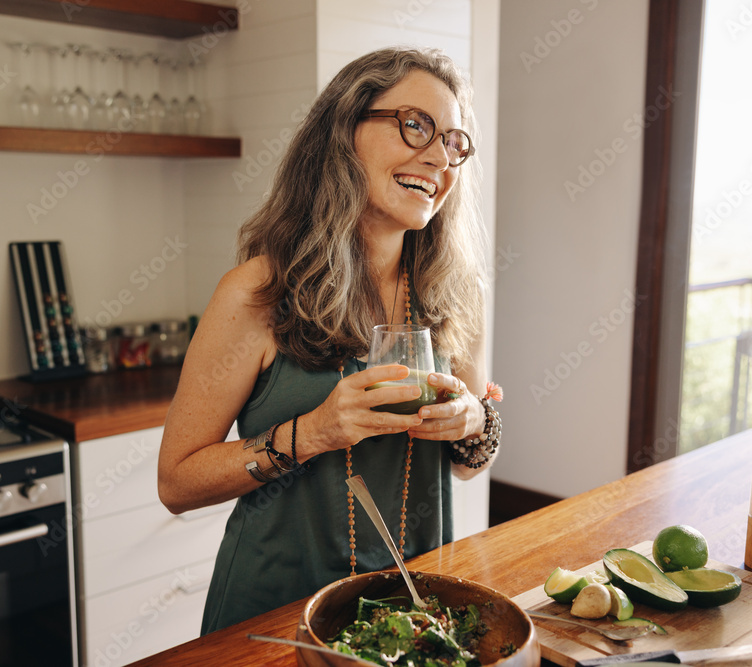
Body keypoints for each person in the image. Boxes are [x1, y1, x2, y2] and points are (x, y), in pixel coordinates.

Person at [157, 46, 502, 635]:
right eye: (415, 125)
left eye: (452, 142)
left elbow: (468, 466)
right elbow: (177, 482)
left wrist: (473, 422)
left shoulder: (451, 295)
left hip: (408, 609)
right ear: (343, 131)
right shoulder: (255, 293)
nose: (438, 159)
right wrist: (314, 431)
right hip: (272, 612)